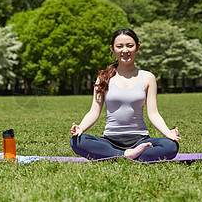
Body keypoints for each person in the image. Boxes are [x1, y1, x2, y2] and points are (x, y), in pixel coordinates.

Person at [70, 28, 180, 161]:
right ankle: (128, 155)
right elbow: (94, 111)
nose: (125, 50)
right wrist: (80, 127)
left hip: (140, 139)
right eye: (119, 46)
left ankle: (116, 155)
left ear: (137, 47)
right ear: (112, 49)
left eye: (130, 46)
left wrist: (168, 132)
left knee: (170, 146)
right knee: (77, 141)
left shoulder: (147, 77)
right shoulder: (104, 77)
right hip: (110, 140)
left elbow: (153, 113)